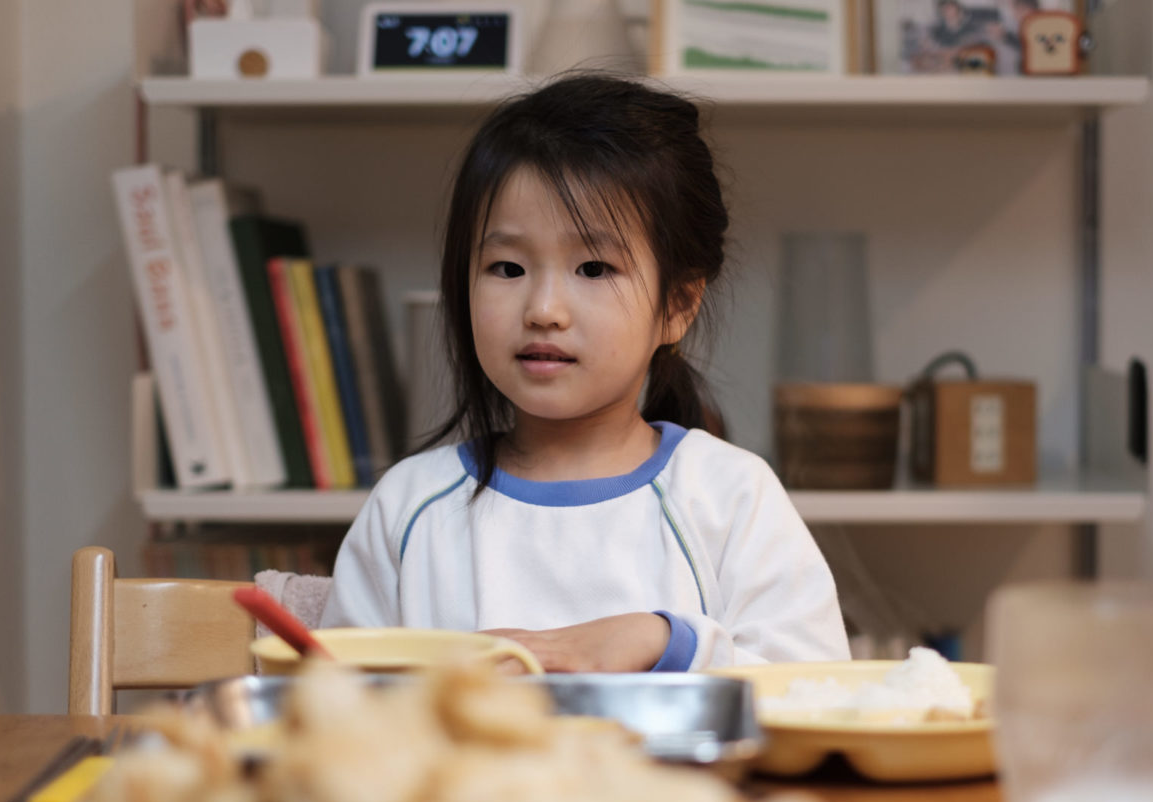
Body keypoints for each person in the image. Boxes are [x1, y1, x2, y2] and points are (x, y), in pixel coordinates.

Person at [320, 74, 850, 673]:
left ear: (677, 304)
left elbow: (818, 691)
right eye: (507, 267)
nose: (544, 310)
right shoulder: (408, 506)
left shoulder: (731, 497)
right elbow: (335, 701)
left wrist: (664, 642)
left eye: (594, 269)